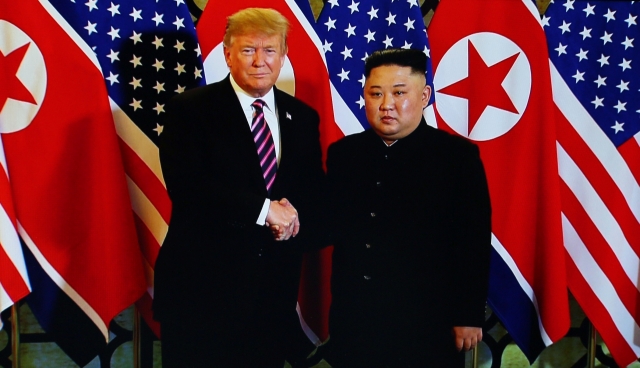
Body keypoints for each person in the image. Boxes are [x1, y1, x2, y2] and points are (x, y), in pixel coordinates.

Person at [152, 8, 325, 367]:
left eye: (270, 50)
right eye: (248, 50)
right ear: (227, 53)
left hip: (272, 299)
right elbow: (189, 188)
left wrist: (295, 217)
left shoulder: (303, 117)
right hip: (202, 296)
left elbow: (311, 192)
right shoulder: (190, 110)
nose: (260, 60)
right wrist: (266, 211)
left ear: (284, 55)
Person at [324, 48, 492, 367]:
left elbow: (473, 242)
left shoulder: (456, 158)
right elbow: (329, 223)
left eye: (399, 93)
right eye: (376, 94)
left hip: (429, 323)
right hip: (356, 320)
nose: (387, 104)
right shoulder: (345, 154)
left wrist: (469, 315)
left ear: (425, 95)